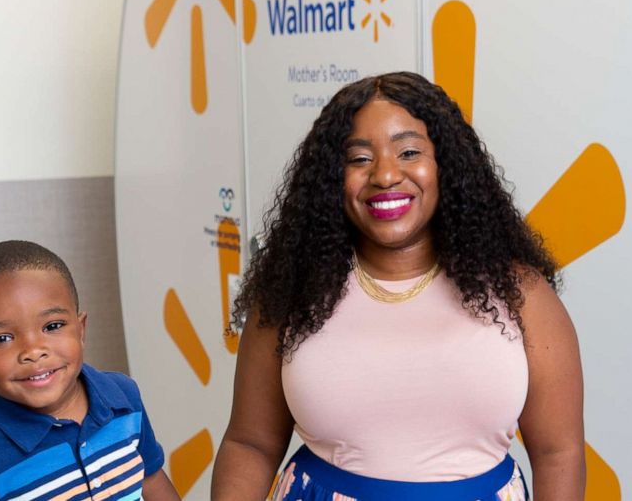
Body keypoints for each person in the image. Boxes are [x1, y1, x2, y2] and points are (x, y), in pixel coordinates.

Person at [211, 72, 585, 500]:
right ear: (333, 178)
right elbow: (250, 444)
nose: (385, 175)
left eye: (409, 151)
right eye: (359, 159)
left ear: (447, 164)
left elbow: (560, 452)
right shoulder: (291, 293)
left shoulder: (520, 293)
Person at [0, 240, 180, 501]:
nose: (33, 350)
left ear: (81, 330)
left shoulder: (123, 397)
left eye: (52, 326)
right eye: (2, 338)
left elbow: (152, 478)